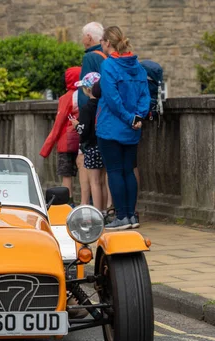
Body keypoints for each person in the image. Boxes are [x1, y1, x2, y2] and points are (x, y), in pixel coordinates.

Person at [96, 26, 150, 230]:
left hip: (111, 127)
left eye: (102, 41)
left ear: (107, 43)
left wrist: (129, 117)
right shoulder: (137, 66)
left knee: (115, 171)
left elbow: (111, 99)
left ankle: (121, 217)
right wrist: (138, 117)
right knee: (128, 171)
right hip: (132, 128)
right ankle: (131, 216)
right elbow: (145, 95)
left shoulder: (109, 65)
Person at [40, 66, 82, 206]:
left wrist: (46, 149)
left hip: (67, 142)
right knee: (85, 174)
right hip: (83, 139)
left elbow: (58, 124)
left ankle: (68, 202)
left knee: (67, 175)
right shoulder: (84, 96)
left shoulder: (66, 98)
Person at [71, 73, 106, 213]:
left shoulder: (86, 108)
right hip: (104, 145)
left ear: (88, 90)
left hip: (91, 148)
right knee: (103, 181)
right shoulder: (103, 105)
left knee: (94, 182)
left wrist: (76, 125)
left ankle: (97, 212)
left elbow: (83, 131)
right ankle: (104, 210)